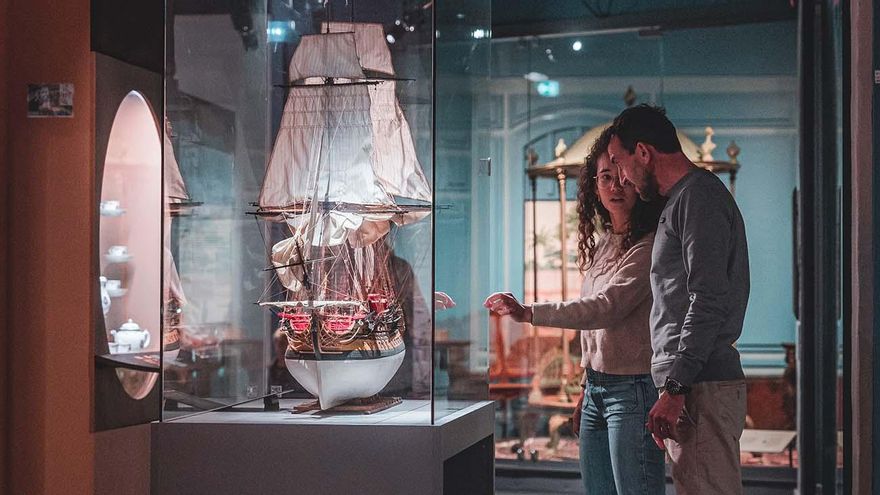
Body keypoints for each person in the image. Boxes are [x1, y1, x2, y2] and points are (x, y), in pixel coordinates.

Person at [485, 127, 665, 494]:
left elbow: (605, 309)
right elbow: (594, 332)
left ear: (637, 180)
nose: (615, 187)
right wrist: (586, 386)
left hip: (633, 390)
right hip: (598, 388)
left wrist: (529, 312)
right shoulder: (605, 244)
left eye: (622, 178)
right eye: (605, 178)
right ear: (594, 188)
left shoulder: (648, 246)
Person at [607, 104, 749, 495]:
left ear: (643, 153)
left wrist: (675, 388)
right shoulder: (683, 200)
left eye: (620, 163)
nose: (621, 177)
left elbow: (707, 299)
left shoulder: (698, 198)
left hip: (699, 386)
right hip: (691, 387)